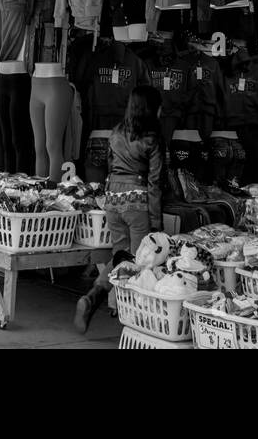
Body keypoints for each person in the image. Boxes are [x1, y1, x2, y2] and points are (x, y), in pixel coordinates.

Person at [73, 84, 165, 334]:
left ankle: (93, 297)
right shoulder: (153, 138)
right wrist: (156, 224)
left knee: (121, 258)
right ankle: (135, 322)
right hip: (138, 202)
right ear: (152, 109)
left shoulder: (115, 133)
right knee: (139, 264)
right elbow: (155, 182)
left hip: (113, 200)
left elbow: (111, 167)